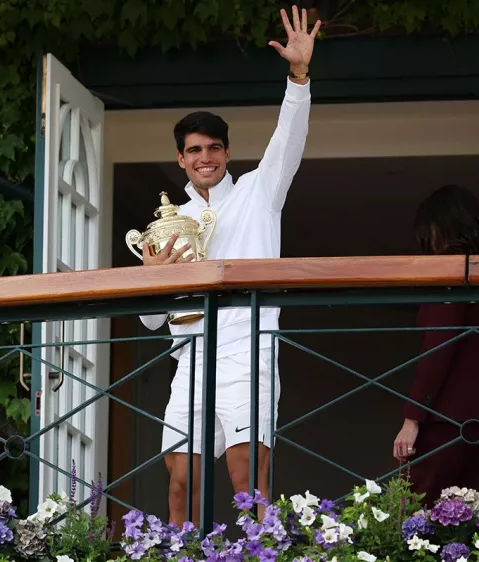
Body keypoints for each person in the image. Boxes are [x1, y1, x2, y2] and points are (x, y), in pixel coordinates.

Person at [138, 5, 320, 525]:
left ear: (226, 152)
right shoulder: (167, 224)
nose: (204, 158)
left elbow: (289, 139)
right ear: (180, 159)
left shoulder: (260, 192)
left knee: (247, 478)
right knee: (180, 484)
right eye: (193, 150)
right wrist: (152, 283)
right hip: (191, 356)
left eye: (213, 148)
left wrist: (298, 76)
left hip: (248, 348)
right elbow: (153, 321)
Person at [393, 184, 479, 509]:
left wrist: (412, 418)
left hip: (449, 417)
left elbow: (440, 347)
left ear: (441, 226)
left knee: (416, 513)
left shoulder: (451, 267)